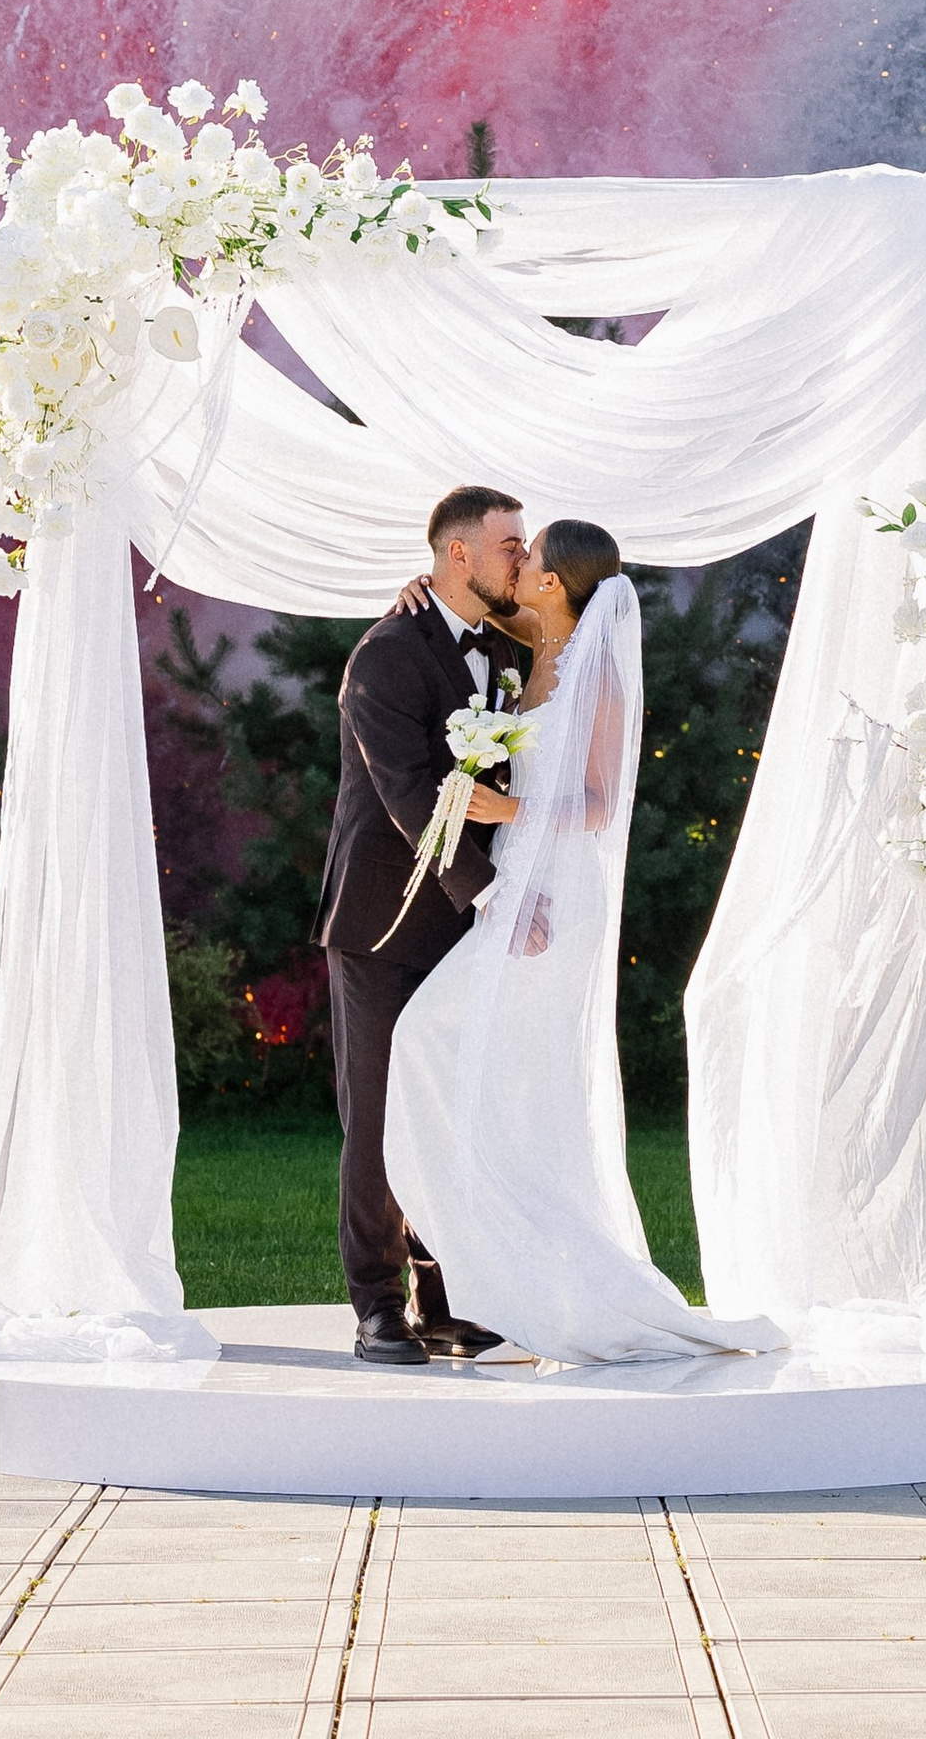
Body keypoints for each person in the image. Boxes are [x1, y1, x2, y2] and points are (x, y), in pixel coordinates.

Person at [383, 517, 782, 1367]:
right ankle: (514, 1267)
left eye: (530, 560)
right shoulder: (535, 646)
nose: (518, 566)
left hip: (560, 889)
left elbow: (601, 804)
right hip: (519, 882)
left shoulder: (592, 675)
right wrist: (418, 588)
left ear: (556, 584)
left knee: (473, 1059)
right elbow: (459, 604)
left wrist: (508, 810)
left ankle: (560, 1277)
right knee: (460, 1058)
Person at [314, 481, 531, 1359]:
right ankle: (376, 1307)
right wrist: (489, 891)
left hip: (468, 926)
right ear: (457, 556)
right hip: (382, 921)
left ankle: (447, 1299)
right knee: (377, 1117)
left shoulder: (509, 651)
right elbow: (413, 794)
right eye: (510, 543)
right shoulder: (385, 654)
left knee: (454, 1114)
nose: (523, 555)